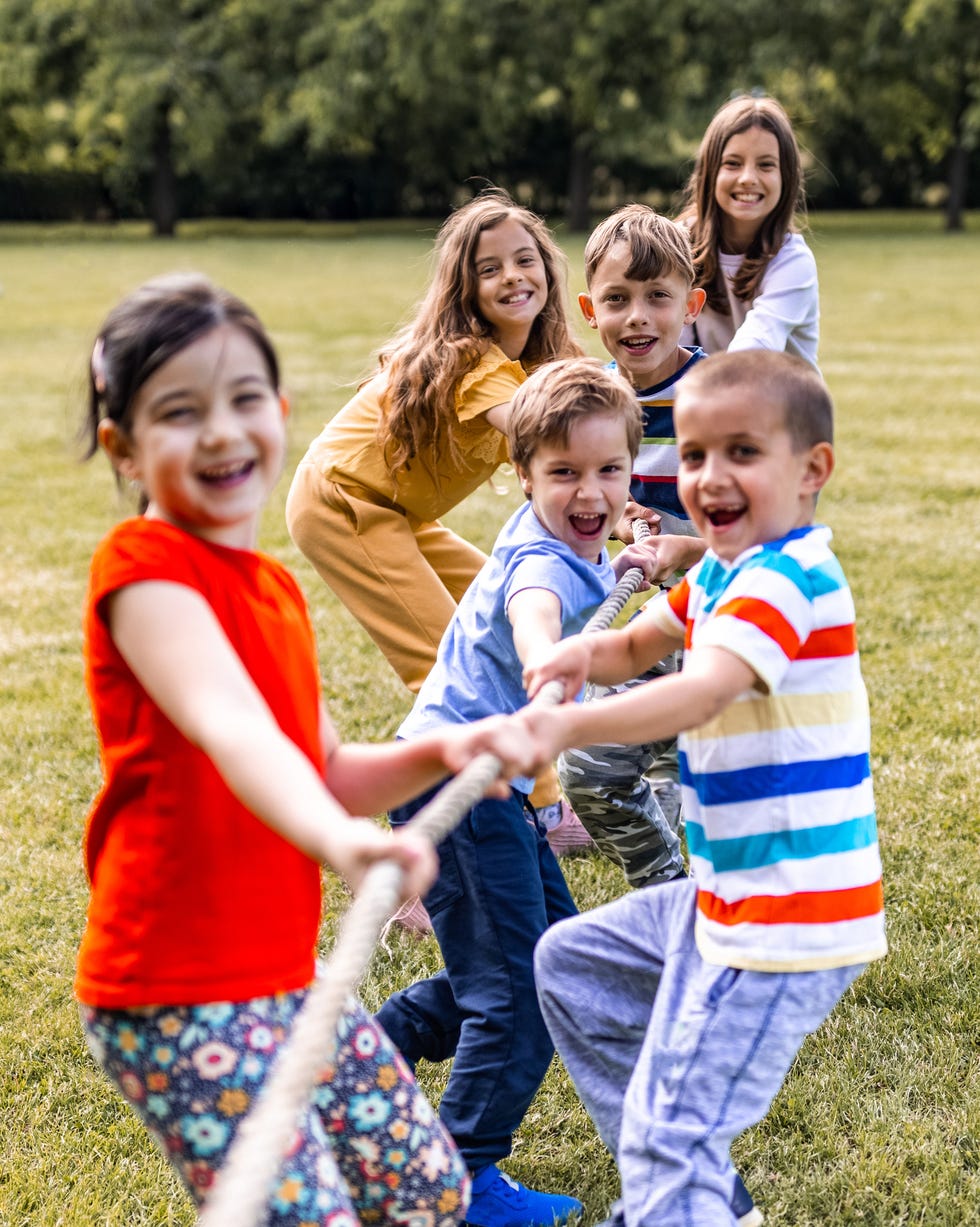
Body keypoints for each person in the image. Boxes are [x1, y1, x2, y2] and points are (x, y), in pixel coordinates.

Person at [75, 272, 543, 1225]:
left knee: (424, 1193)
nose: (222, 430)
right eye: (179, 411)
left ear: (282, 411)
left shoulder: (275, 595)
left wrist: (456, 748)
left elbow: (330, 768)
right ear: (123, 446)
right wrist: (346, 844)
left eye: (245, 398)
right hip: (175, 996)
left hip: (282, 984)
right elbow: (234, 729)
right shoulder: (146, 576)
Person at [519, 351, 888, 1226]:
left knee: (668, 1128)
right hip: (723, 897)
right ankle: (688, 1195)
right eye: (692, 456)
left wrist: (569, 726)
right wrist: (573, 657)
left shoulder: (788, 577)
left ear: (813, 471)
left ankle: (674, 1182)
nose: (710, 478)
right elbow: (636, 647)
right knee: (570, 966)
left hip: (786, 918)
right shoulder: (720, 571)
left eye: (742, 453)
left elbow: (703, 687)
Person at [375, 357, 663, 1227]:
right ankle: (457, 1178)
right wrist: (545, 658)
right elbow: (534, 609)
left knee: (536, 965)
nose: (590, 491)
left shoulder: (575, 541)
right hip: (458, 788)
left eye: (609, 470)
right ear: (523, 473)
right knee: (521, 995)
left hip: (474, 785)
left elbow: (584, 564)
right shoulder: (541, 563)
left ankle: (366, 1056)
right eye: (564, 472)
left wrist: (633, 554)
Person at [285, 187, 587, 876]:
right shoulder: (476, 364)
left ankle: (542, 805)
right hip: (344, 503)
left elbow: (583, 409)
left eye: (524, 260)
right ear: (466, 289)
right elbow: (552, 432)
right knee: (447, 661)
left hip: (398, 512)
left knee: (504, 607)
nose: (513, 277)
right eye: (490, 269)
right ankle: (454, 847)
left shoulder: (539, 360)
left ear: (546, 267)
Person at [560, 204, 708, 887]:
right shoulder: (594, 402)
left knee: (705, 783)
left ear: (693, 304)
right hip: (651, 626)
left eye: (658, 297)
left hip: (725, 626)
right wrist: (619, 518)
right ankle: (666, 892)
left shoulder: (715, 399)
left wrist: (687, 547)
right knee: (590, 768)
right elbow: (587, 492)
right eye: (617, 299)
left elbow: (771, 526)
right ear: (591, 309)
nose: (638, 317)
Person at [677, 93, 820, 367]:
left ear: (786, 178)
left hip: (783, 405)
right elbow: (670, 347)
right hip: (702, 399)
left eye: (766, 165)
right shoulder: (678, 244)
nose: (747, 179)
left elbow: (757, 346)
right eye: (732, 163)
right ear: (710, 171)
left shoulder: (793, 261)